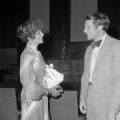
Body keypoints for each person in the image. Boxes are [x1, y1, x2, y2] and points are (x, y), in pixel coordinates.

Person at [17, 18, 62, 120]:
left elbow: (43, 76)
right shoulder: (27, 55)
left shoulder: (37, 53)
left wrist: (55, 86)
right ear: (29, 37)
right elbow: (30, 90)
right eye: (38, 32)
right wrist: (49, 91)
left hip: (41, 99)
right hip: (32, 103)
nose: (42, 34)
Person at [79, 12, 120, 120]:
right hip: (90, 103)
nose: (84, 31)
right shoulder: (88, 49)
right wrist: (82, 98)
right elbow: (85, 77)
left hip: (109, 105)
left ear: (100, 27)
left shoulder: (117, 46)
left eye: (88, 27)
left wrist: (114, 109)